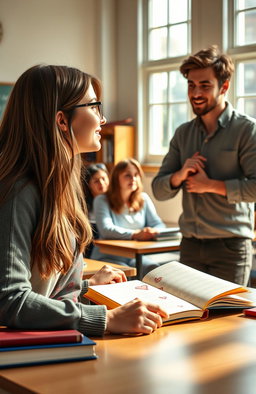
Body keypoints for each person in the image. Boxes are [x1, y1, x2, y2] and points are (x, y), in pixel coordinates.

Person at [0, 64, 168, 336]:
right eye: (93, 107)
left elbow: (44, 291)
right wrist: (105, 318)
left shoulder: (62, 185)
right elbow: (10, 300)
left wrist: (87, 289)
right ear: (62, 121)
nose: (102, 120)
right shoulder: (18, 191)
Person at [152, 45, 256, 286]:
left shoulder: (247, 130)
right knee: (190, 318)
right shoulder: (182, 134)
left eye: (205, 86)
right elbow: (158, 189)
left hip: (230, 248)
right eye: (191, 85)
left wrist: (209, 185)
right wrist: (179, 175)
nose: (196, 92)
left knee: (229, 323)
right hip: (190, 245)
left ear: (224, 87)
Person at [91, 158, 169, 275]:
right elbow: (106, 230)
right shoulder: (101, 200)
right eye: (128, 175)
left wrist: (152, 231)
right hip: (109, 256)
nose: (133, 179)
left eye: (136, 175)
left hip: (134, 256)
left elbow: (159, 224)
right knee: (123, 273)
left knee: (154, 269)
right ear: (116, 178)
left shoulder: (143, 198)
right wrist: (135, 234)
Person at [82, 163, 109, 257]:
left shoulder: (113, 202)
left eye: (104, 178)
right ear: (88, 184)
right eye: (96, 181)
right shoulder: (83, 204)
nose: (101, 183)